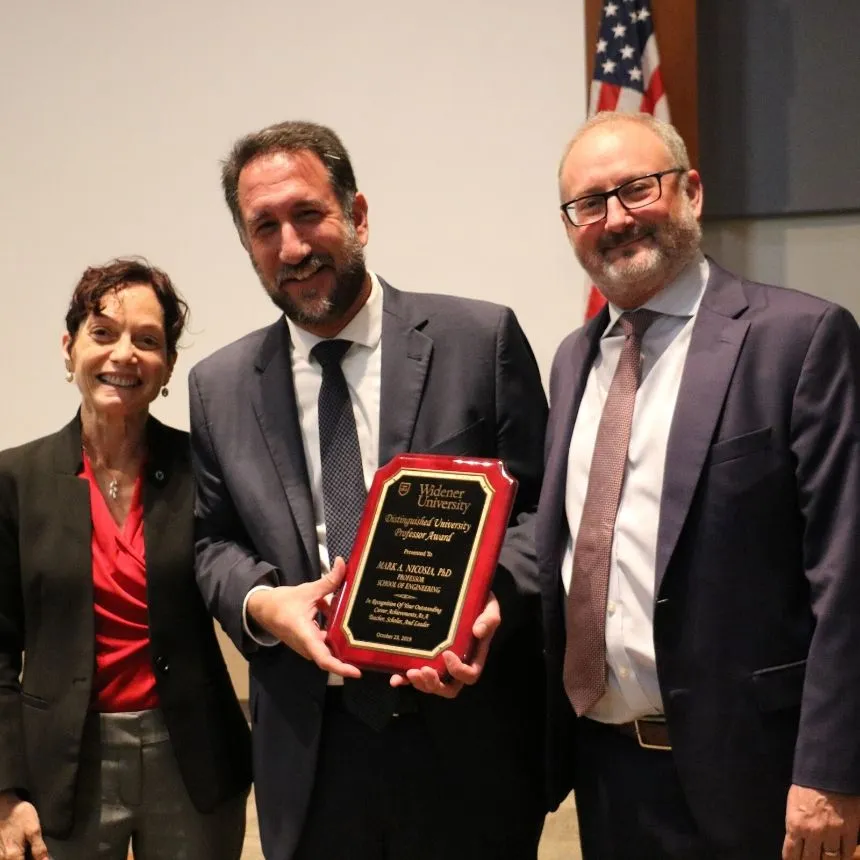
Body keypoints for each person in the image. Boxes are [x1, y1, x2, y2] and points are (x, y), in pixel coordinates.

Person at [189, 120, 547, 860]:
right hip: (310, 752)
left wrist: (492, 601)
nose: (292, 247)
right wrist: (261, 605)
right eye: (265, 227)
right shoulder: (219, 387)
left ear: (357, 214)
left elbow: (544, 511)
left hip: (464, 736)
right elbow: (212, 540)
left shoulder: (478, 341)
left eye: (308, 214)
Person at [536, 111, 860, 860]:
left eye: (637, 189)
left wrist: (831, 770)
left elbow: (847, 574)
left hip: (763, 778)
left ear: (692, 191)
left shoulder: (799, 339)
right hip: (608, 772)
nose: (616, 218)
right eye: (590, 203)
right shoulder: (572, 360)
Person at [0, 259, 251, 860]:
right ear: (69, 349)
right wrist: (6, 789)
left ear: (168, 366)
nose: (124, 354)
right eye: (103, 333)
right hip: (62, 764)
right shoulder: (14, 479)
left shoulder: (206, 471)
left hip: (193, 759)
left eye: (147, 340)